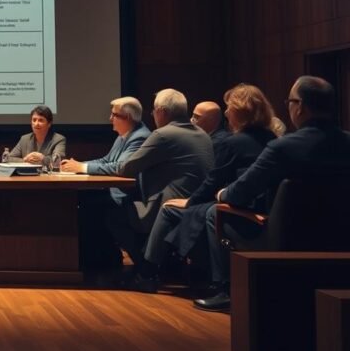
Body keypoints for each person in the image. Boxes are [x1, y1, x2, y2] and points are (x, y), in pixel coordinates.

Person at [194, 76, 350, 311]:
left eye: (290, 101)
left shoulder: (283, 147)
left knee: (215, 213)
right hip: (341, 234)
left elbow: (241, 192)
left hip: (289, 235)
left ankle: (226, 290)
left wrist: (222, 194)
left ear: (300, 106)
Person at [134, 84, 276, 293]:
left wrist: (191, 201)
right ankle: (164, 271)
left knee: (169, 208)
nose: (226, 113)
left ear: (240, 111)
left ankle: (148, 273)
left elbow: (214, 181)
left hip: (238, 209)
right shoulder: (272, 139)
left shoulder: (234, 143)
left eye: (229, 108)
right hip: (264, 208)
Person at [109, 88, 214, 276]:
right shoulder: (203, 134)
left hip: (165, 207)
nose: (153, 115)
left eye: (154, 111)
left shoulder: (163, 134)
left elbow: (126, 168)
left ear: (162, 112)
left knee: (112, 210)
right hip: (200, 205)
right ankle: (160, 265)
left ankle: (145, 269)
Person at [61, 97, 151, 174]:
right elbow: (106, 161)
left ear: (127, 117)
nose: (110, 118)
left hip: (127, 189)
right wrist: (76, 165)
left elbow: (120, 167)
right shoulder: (124, 134)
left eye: (114, 115)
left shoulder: (140, 137)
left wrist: (82, 167)